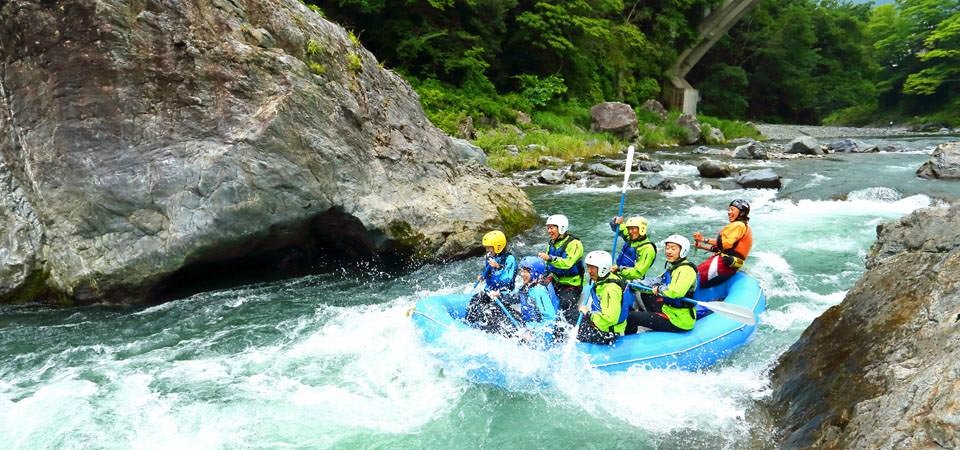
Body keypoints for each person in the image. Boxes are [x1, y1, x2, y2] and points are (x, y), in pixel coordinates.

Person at [626, 234, 698, 334]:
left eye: (673, 249)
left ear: (683, 251)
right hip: (668, 309)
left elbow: (676, 292)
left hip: (678, 320)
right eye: (667, 248)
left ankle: (627, 342)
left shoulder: (686, 270)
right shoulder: (674, 267)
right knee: (645, 294)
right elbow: (655, 281)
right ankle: (652, 320)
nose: (668, 251)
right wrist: (631, 282)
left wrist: (659, 289)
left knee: (632, 317)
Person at [485, 256, 561, 344]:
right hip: (528, 325)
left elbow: (550, 320)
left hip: (539, 336)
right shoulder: (529, 285)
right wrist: (500, 295)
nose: (521, 274)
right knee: (494, 312)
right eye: (522, 271)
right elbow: (516, 297)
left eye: (525, 272)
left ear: (534, 273)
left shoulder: (539, 291)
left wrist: (532, 333)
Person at [561, 250, 625, 345]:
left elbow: (610, 319)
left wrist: (589, 314)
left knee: (565, 331)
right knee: (567, 316)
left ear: (603, 268)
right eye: (588, 267)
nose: (589, 271)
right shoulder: (604, 280)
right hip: (599, 324)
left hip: (607, 333)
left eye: (593, 268)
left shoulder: (611, 290)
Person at [692, 199, 753, 288]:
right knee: (698, 279)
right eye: (729, 209)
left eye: (732, 209)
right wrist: (702, 242)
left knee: (692, 276)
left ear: (742, 213)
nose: (729, 212)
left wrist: (703, 241)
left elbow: (724, 246)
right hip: (730, 265)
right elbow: (723, 248)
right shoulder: (744, 227)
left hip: (723, 264)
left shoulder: (738, 225)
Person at [465, 230, 518, 330]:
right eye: (486, 247)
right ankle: (468, 326)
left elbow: (506, 279)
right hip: (490, 290)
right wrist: (483, 276)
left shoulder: (510, 259)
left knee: (490, 311)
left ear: (498, 246)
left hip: (504, 293)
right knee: (474, 301)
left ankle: (490, 330)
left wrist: (498, 267)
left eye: (489, 247)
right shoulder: (490, 256)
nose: (487, 250)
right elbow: (488, 271)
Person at [537, 214, 585, 313]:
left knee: (566, 304)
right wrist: (544, 276)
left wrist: (550, 258)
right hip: (555, 281)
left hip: (572, 284)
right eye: (548, 228)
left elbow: (568, 263)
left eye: (552, 228)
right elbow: (547, 265)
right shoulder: (552, 243)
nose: (549, 231)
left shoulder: (575, 244)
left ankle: (573, 325)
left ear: (561, 228)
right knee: (537, 292)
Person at [609, 215, 657, 280]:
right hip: (619, 274)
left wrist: (619, 269)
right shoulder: (631, 238)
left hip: (632, 282)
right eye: (629, 229)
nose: (630, 232)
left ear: (641, 229)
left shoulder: (648, 249)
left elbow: (637, 273)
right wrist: (615, 221)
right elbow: (619, 229)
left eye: (633, 229)